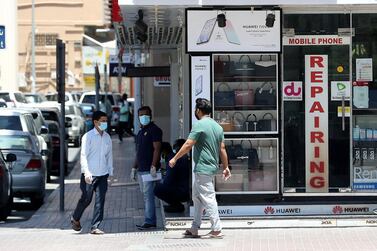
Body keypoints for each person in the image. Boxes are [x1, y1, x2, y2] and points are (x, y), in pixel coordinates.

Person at [169, 98, 231, 238]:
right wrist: (226, 167)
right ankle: (195, 227)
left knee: (208, 198)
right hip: (208, 168)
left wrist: (175, 158)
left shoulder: (199, 125)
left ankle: (217, 228)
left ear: (198, 110)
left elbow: (188, 144)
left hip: (203, 168)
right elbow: (222, 149)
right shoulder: (217, 127)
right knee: (197, 198)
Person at [70, 111, 113, 235]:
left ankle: (95, 226)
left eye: (106, 121)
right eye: (103, 121)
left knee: (100, 201)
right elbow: (83, 156)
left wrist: (111, 172)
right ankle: (75, 217)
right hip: (89, 174)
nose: (105, 123)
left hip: (103, 174)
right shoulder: (87, 137)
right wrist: (86, 173)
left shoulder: (107, 137)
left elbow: (109, 156)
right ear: (95, 122)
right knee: (86, 199)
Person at [130, 106, 162, 230]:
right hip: (141, 169)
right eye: (141, 115)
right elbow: (139, 152)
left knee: (148, 197)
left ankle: (149, 221)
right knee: (145, 196)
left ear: (150, 115)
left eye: (146, 115)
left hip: (150, 171)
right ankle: (150, 220)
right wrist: (134, 168)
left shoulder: (155, 130)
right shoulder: (140, 132)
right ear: (138, 117)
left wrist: (153, 165)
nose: (143, 117)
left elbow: (157, 149)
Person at [154, 139, 190, 213]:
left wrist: (163, 178)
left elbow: (169, 179)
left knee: (157, 188)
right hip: (185, 189)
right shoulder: (183, 157)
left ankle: (177, 206)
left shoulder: (173, 159)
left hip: (182, 192)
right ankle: (176, 205)